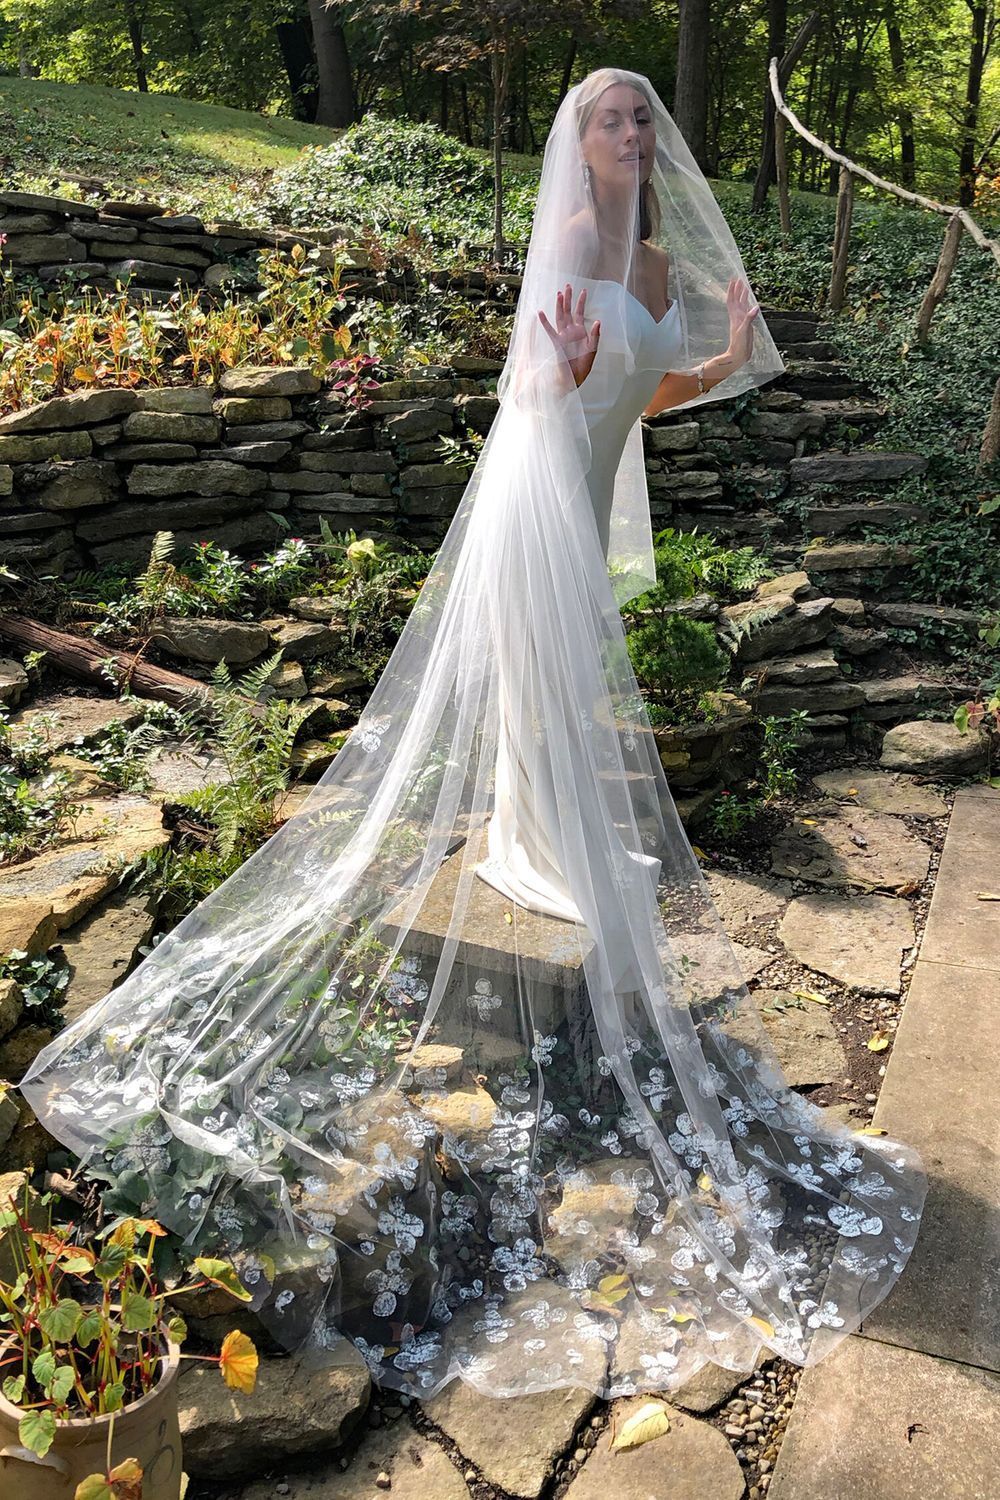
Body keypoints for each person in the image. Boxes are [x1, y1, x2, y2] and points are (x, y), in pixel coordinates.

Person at [18, 67, 928, 1402]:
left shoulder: (662, 261)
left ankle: (534, 837)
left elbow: (654, 395)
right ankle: (538, 843)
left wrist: (724, 354)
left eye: (641, 118)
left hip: (590, 496)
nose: (632, 132)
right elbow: (542, 396)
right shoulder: (565, 242)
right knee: (545, 697)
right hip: (532, 498)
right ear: (581, 145)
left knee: (567, 708)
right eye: (610, 119)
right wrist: (552, 377)